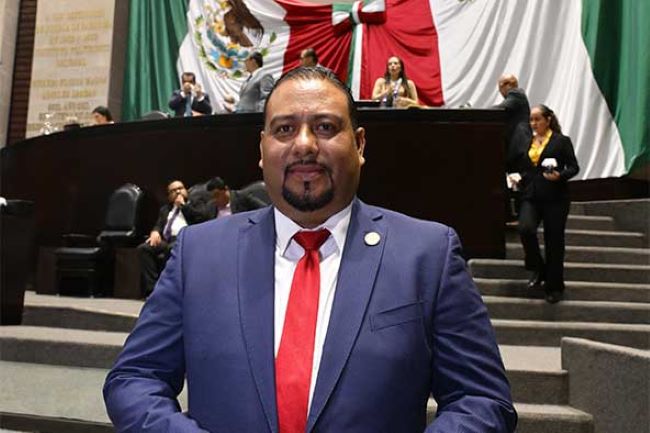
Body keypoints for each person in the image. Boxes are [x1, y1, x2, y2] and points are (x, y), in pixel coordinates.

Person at [104, 67, 517, 432]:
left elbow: (481, 399)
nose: (304, 144)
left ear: (359, 144)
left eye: (324, 127)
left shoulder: (428, 255)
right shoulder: (199, 253)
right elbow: (135, 379)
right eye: (284, 129)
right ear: (262, 149)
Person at [512, 104, 579, 304]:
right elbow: (524, 167)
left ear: (548, 120)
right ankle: (538, 267)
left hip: (555, 197)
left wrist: (560, 175)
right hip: (531, 195)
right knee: (525, 228)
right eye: (531, 120)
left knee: (554, 241)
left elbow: (574, 167)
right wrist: (517, 177)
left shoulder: (561, 141)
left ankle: (554, 286)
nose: (534, 123)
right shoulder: (528, 142)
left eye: (537, 119)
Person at [136, 180, 205, 297]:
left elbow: (200, 219)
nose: (178, 192)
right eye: (173, 191)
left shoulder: (195, 204)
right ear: (169, 196)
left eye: (180, 188)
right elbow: (158, 225)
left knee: (171, 248)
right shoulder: (165, 209)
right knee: (144, 249)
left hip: (186, 240)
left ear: (186, 190)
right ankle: (153, 290)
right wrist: (155, 231)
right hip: (167, 240)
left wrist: (183, 206)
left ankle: (169, 289)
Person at [190, 176, 270, 220]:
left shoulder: (241, 197)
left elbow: (264, 209)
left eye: (217, 195)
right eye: (212, 197)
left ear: (226, 189)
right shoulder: (211, 206)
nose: (215, 200)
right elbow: (199, 217)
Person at [496, 74, 532, 172]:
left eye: (500, 88)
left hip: (519, 145)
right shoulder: (517, 96)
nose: (500, 91)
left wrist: (477, 111)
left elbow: (499, 109)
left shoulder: (516, 94)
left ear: (507, 85)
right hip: (515, 146)